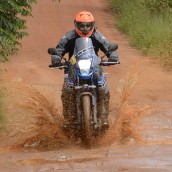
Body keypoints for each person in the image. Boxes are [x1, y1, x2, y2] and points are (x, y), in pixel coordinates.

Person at [51, 11, 119, 129]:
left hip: (93, 64)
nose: (85, 28)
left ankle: (103, 117)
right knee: (67, 89)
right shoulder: (69, 36)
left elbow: (109, 47)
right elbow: (60, 48)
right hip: (73, 64)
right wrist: (56, 58)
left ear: (92, 24)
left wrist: (113, 56)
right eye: (82, 25)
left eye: (88, 25)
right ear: (76, 25)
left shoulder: (97, 35)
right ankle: (68, 119)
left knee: (103, 87)